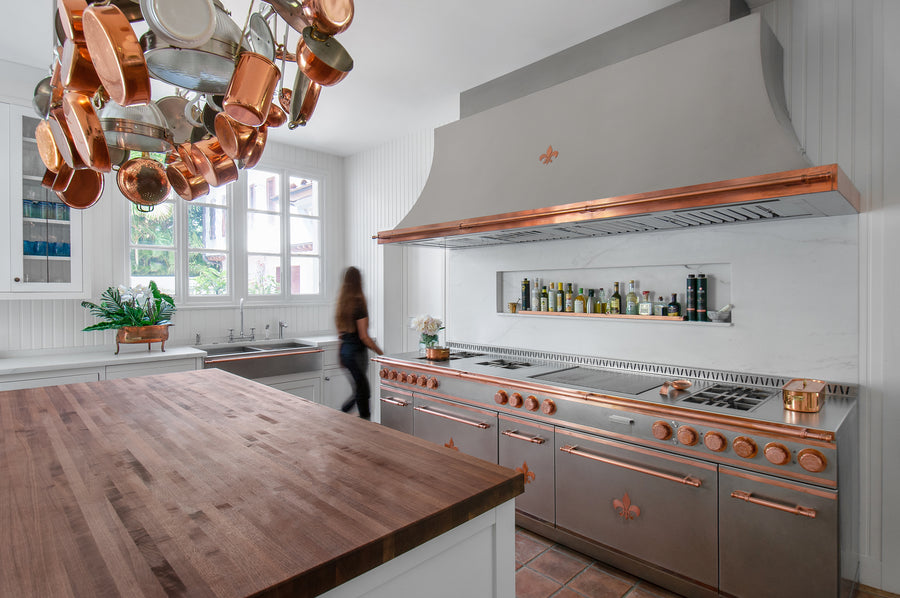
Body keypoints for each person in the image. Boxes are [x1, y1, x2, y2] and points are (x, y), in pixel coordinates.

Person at [335, 266, 383, 419]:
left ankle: (349, 416)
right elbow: (364, 337)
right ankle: (361, 422)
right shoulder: (359, 303)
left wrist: (340, 355)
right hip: (357, 353)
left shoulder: (342, 304)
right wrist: (381, 353)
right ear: (359, 281)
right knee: (363, 393)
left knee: (359, 391)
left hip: (346, 353)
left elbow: (340, 335)